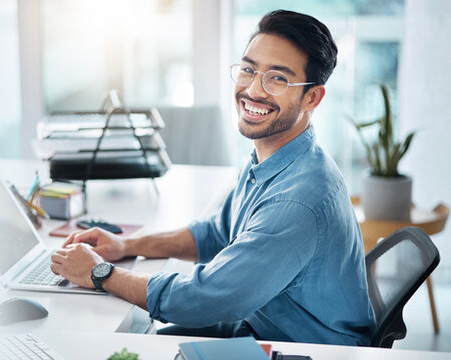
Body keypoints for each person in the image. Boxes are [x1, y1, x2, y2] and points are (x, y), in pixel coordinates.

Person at [49, 10, 376, 346]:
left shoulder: (298, 200)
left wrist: (100, 273)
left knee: (107, 345)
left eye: (277, 78)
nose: (253, 90)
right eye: (248, 70)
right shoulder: (275, 158)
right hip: (259, 328)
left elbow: (205, 299)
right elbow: (217, 232)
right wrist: (126, 246)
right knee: (122, 343)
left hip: (303, 348)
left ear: (312, 97)